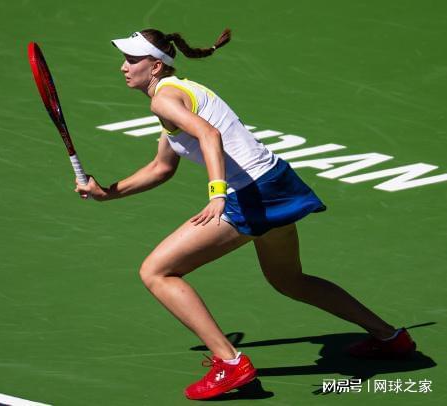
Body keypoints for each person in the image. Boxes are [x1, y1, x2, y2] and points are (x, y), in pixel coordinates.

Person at [75, 28, 417, 400]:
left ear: (155, 66)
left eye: (132, 60)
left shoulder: (165, 100)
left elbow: (209, 136)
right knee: (289, 280)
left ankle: (231, 363)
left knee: (157, 272)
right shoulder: (180, 92)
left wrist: (217, 193)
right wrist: (107, 193)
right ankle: (390, 337)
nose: (124, 67)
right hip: (276, 181)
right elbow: (162, 167)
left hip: (250, 194)